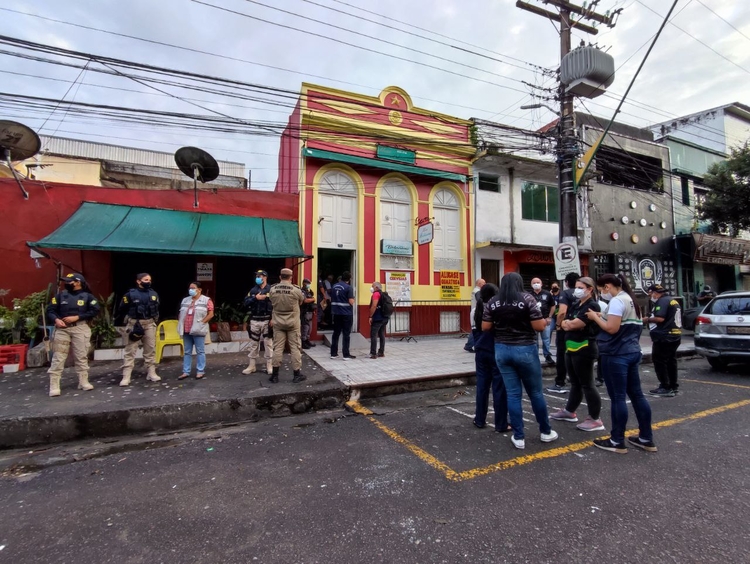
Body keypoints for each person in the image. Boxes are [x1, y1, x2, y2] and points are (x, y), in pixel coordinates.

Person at [483, 272, 558, 450]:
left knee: (513, 394)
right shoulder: (528, 299)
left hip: (502, 350)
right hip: (525, 349)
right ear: (519, 283)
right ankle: (546, 431)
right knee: (536, 393)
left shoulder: (493, 301)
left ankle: (518, 437)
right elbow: (539, 326)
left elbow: (485, 326)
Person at [586, 273, 656, 454]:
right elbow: (623, 322)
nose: (602, 294)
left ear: (607, 286)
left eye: (601, 290)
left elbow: (612, 328)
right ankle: (646, 438)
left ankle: (617, 440)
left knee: (618, 397)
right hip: (632, 352)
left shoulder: (617, 301)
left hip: (616, 354)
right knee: (637, 395)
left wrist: (594, 317)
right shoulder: (631, 300)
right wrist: (602, 315)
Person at [550, 277, 605, 432]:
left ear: (590, 289)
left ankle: (595, 419)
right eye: (576, 287)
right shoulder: (576, 304)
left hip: (584, 348)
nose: (577, 290)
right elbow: (565, 321)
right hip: (571, 347)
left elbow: (575, 324)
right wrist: (567, 324)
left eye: (581, 287)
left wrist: (569, 324)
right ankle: (570, 411)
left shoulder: (592, 305)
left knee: (587, 384)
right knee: (575, 382)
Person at [46, 273, 100, 397]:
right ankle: (54, 385)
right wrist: (56, 320)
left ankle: (83, 381)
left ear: (78, 282)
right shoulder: (60, 296)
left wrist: (78, 317)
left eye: (69, 281)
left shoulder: (88, 296)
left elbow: (95, 310)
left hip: (80, 328)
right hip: (62, 329)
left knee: (81, 356)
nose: (66, 283)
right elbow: (50, 310)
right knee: (58, 357)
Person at [473, 283, 511, 432]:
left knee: (482, 387)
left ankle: (479, 419)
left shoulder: (476, 309)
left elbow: (475, 331)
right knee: (499, 388)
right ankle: (501, 424)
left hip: (481, 349)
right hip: (496, 349)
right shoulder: (498, 308)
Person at [119, 272, 161, 387]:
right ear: (138, 281)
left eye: (149, 280)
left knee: (150, 350)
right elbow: (122, 309)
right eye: (146, 280)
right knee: (130, 350)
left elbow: (156, 308)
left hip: (149, 324)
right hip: (134, 324)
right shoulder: (130, 294)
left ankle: (151, 373)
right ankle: (126, 376)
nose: (148, 282)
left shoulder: (153, 294)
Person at [268, 268, 306, 383]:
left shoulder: (273, 289)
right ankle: (296, 374)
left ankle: (275, 376)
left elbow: (271, 301)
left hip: (278, 323)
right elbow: (301, 301)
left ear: (280, 277)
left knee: (277, 348)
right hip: (293, 323)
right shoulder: (296, 290)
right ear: (291, 277)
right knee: (295, 348)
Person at [644, 284, 682, 397]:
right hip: (675, 335)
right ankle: (673, 386)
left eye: (650, 294)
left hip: (665, 337)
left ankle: (665, 387)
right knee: (671, 361)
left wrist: (646, 319)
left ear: (655, 293)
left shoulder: (662, 301)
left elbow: (660, 318)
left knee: (660, 361)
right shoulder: (672, 300)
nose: (650, 296)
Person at [548, 272, 580, 393]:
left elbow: (561, 312)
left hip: (565, 327)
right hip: (579, 326)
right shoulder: (585, 293)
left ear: (566, 282)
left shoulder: (565, 294)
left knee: (561, 354)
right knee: (576, 353)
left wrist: (558, 325)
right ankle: (576, 380)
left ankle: (560, 382)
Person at [177, 281, 214, 380]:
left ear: (199, 289)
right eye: (190, 288)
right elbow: (181, 313)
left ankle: (200, 371)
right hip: (186, 329)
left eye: (193, 288)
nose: (191, 290)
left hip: (198, 329)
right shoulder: (185, 300)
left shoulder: (206, 300)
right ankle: (186, 371)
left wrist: (202, 323)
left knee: (200, 351)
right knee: (187, 351)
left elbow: (211, 314)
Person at [242, 270, 273, 375]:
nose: (257, 278)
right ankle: (252, 366)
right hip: (255, 319)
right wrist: (255, 298)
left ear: (265, 277)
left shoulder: (271, 289)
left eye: (259, 276)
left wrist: (273, 318)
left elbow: (277, 304)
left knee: (268, 343)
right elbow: (246, 302)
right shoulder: (253, 290)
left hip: (267, 320)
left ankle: (269, 365)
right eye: (257, 276)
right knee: (253, 343)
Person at [330, 271, 356, 360]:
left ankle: (333, 353)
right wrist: (354, 299)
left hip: (336, 313)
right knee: (346, 334)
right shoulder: (348, 287)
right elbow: (351, 301)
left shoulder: (334, 286)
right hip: (346, 314)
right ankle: (346, 355)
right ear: (349, 279)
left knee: (336, 333)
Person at [529, 277, 556, 365]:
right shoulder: (529, 295)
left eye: (538, 282)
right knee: (534, 339)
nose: (536, 284)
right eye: (534, 283)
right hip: (533, 321)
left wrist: (550, 317)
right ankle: (535, 356)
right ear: (531, 285)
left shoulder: (547, 294)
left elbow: (553, 306)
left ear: (541, 284)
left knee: (546, 339)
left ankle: (547, 355)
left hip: (545, 320)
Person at [368, 281, 390, 359]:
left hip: (377, 318)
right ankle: (381, 352)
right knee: (381, 334)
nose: (371, 288)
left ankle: (373, 353)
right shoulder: (383, 294)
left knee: (374, 335)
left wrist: (370, 316)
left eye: (372, 286)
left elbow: (374, 306)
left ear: (376, 287)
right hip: (384, 318)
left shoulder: (376, 294)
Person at [465, 278, 485, 352]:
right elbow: (480, 300)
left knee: (474, 329)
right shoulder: (478, 292)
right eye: (483, 283)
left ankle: (470, 345)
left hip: (475, 312)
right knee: (475, 329)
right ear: (479, 284)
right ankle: (469, 345)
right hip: (476, 312)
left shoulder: (475, 290)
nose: (485, 284)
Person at [300, 278, 317, 349]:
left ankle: (307, 340)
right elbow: (305, 300)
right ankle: (303, 341)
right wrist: (313, 299)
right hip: (305, 311)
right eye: (307, 283)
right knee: (305, 327)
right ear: (303, 283)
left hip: (310, 311)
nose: (308, 285)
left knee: (309, 327)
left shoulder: (309, 291)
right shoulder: (302, 291)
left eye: (309, 283)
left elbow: (311, 301)